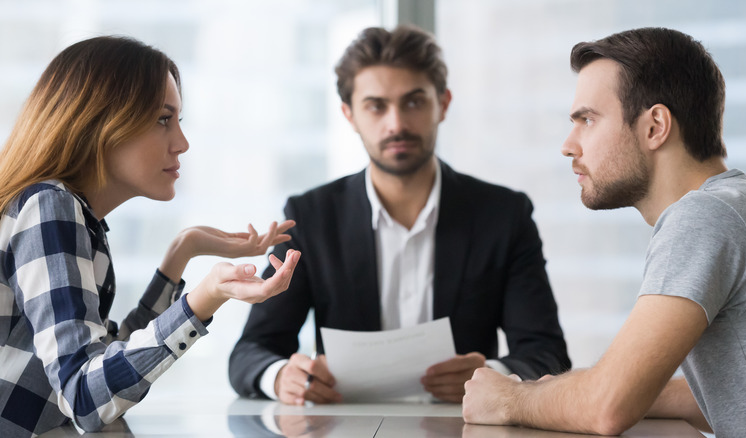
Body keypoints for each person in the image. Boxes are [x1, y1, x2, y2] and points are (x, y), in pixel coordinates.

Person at [229, 25, 570, 406]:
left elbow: (547, 353)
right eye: (376, 106)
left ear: (443, 104)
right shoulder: (311, 217)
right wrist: (281, 378)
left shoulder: (504, 216)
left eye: (413, 102)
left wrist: (494, 376)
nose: (396, 124)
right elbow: (251, 351)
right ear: (349, 115)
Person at [462, 27, 746, 436]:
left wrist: (508, 398)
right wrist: (565, 390)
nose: (568, 145)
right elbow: (740, 394)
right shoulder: (742, 203)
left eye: (588, 120)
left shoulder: (705, 217)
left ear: (655, 127)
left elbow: (607, 408)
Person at [0, 36, 300, 437]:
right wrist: (203, 299)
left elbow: (100, 366)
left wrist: (182, 252)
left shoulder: (66, 213)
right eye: (163, 119)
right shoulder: (49, 207)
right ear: (100, 122)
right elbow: (85, 398)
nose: (182, 142)